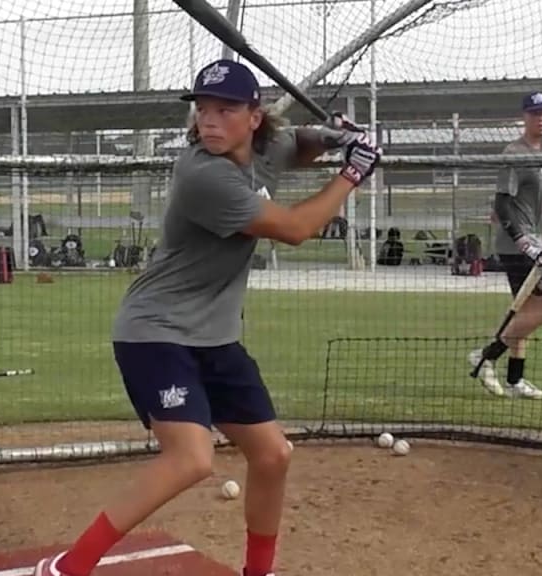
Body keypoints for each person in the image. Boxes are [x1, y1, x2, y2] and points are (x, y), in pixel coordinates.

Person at [33, 58, 381, 576]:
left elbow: (298, 142)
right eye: (202, 109)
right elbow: (293, 228)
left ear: (254, 118)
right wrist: (354, 172)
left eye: (225, 109)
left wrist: (337, 137)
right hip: (157, 332)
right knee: (192, 457)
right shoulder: (202, 173)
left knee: (272, 455)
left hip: (216, 338)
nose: (209, 121)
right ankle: (66, 568)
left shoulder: (261, 151)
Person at [468, 92, 542, 400]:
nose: (541, 118)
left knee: (526, 314)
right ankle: (486, 356)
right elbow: (503, 204)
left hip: (538, 243)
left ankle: (516, 381)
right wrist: (524, 242)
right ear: (525, 117)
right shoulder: (514, 152)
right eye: (535, 113)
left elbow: (540, 209)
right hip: (517, 247)